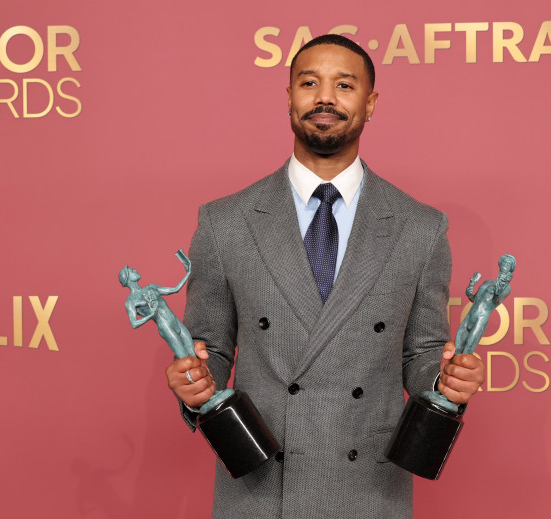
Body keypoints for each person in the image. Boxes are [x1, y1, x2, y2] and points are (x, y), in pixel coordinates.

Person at [165, 34, 486, 519]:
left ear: (370, 103)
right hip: (262, 482)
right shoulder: (224, 222)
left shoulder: (420, 227)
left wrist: (447, 381)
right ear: (289, 97)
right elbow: (210, 348)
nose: (325, 98)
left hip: (369, 487)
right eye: (309, 83)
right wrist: (193, 382)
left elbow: (421, 353)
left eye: (344, 85)